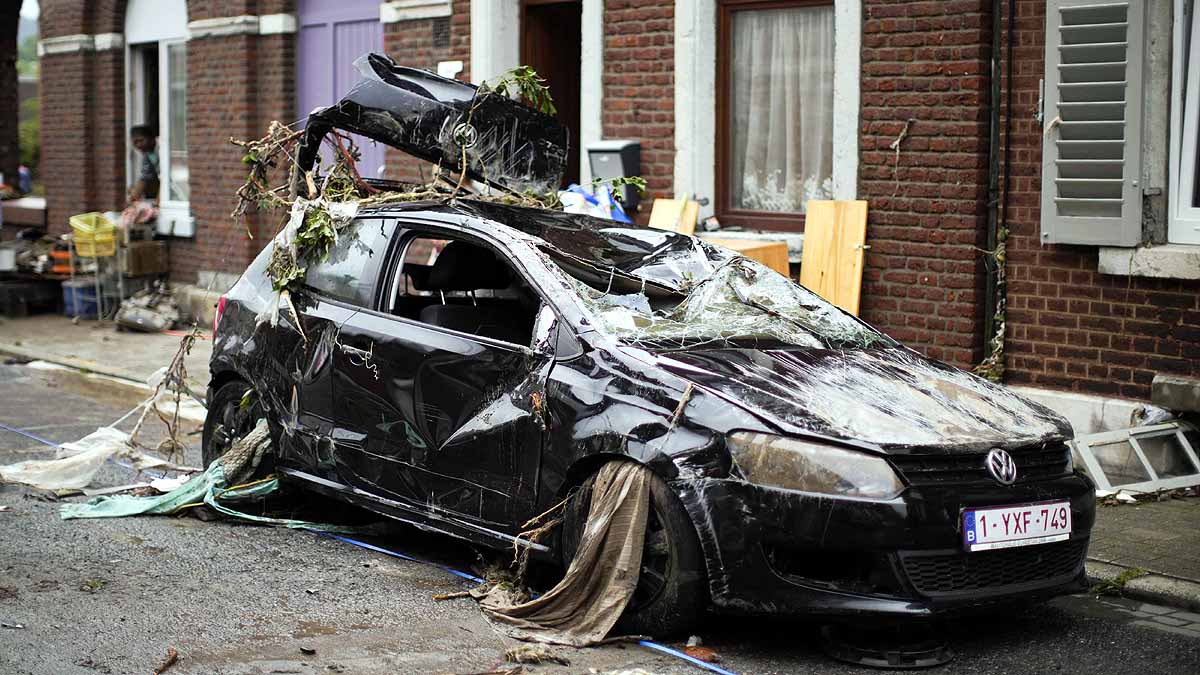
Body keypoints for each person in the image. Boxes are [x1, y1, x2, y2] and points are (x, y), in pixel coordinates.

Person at [128, 125, 160, 204]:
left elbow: (166, 179)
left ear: (152, 138)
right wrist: (132, 198)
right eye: (135, 142)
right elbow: (145, 177)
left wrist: (159, 202)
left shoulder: (162, 148)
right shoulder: (148, 154)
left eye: (141, 140)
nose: (138, 145)